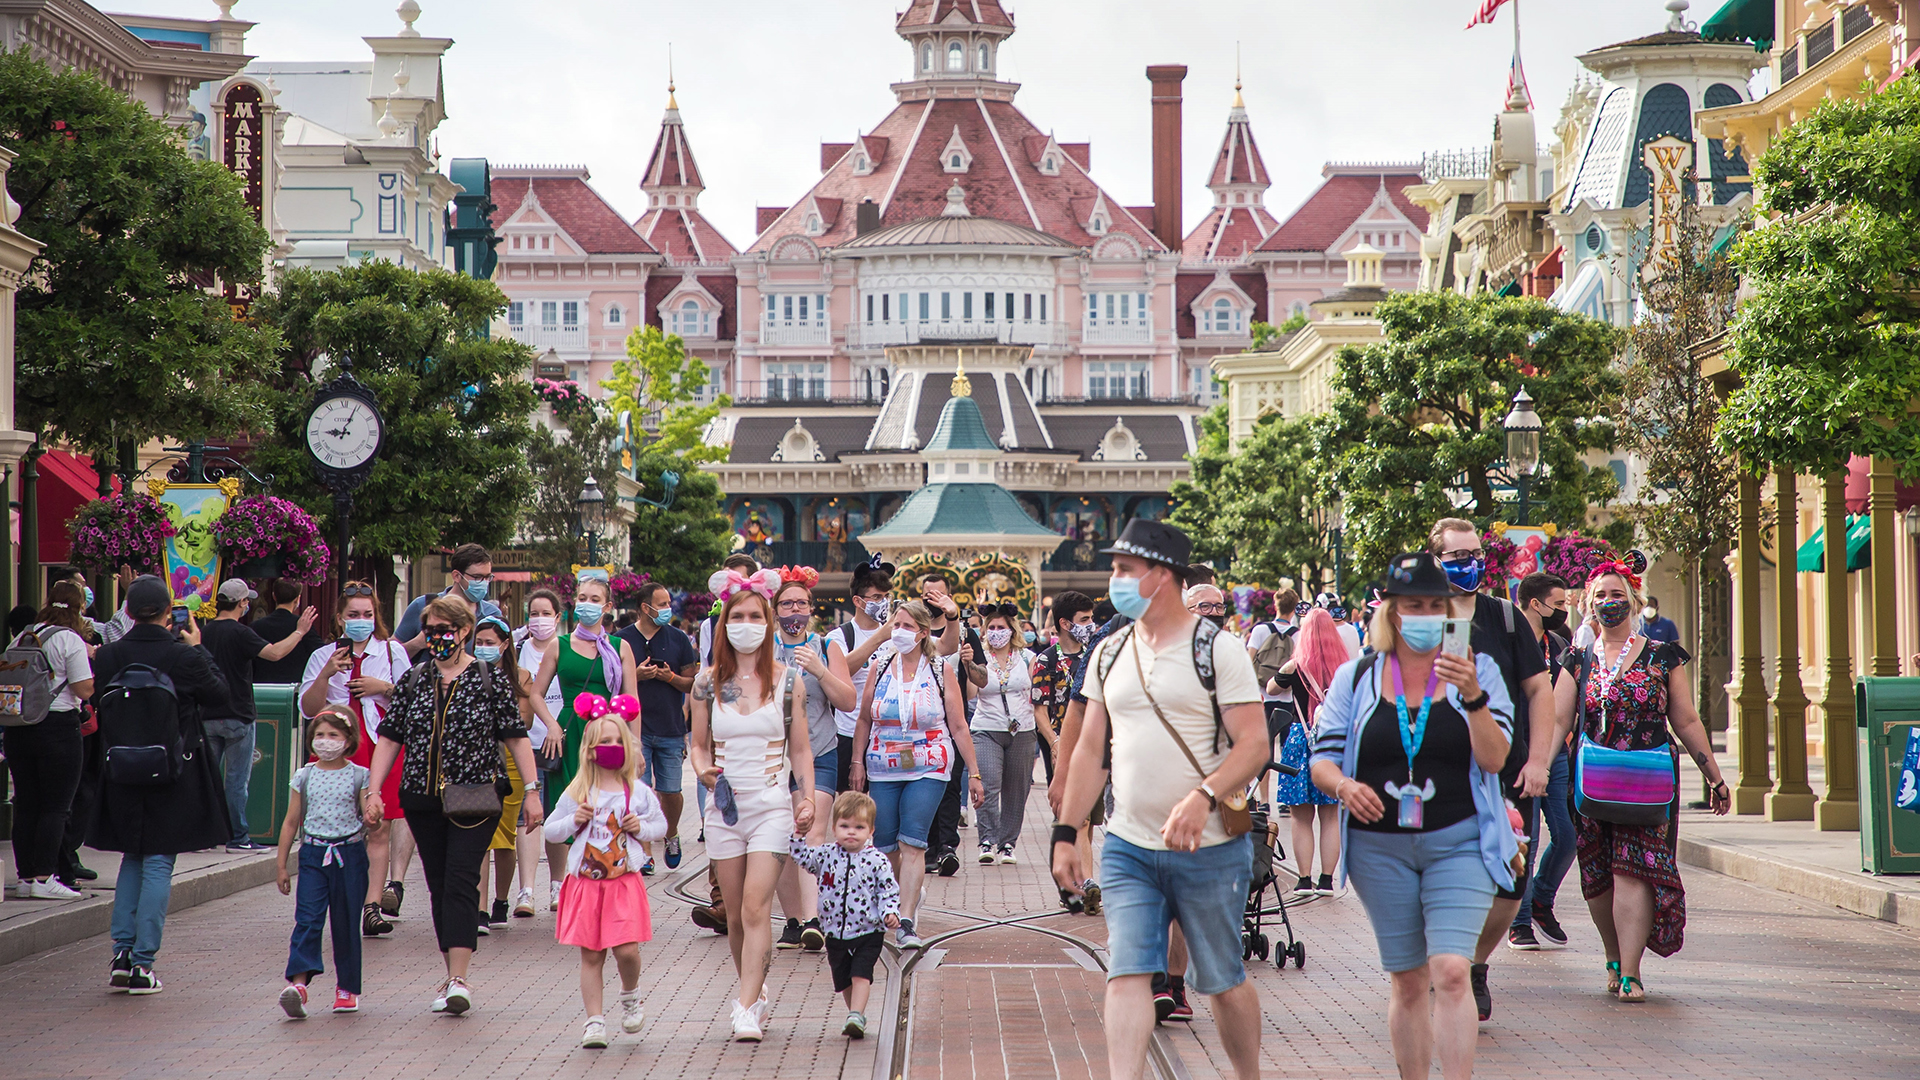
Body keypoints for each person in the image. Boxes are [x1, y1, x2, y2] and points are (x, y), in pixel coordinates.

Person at [1051, 519, 1268, 1079]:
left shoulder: (1219, 650)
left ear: (1162, 576)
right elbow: (1090, 751)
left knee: (1222, 979)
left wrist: (1204, 796)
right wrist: (1067, 831)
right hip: (1128, 846)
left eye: (1125, 570)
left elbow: (1254, 746)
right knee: (1126, 973)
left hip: (1211, 848)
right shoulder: (1109, 651)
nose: (1114, 580)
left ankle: (1248, 1074)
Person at [1311, 551, 1517, 1080]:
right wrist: (1345, 785)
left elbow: (1495, 759)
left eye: (1434, 604)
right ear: (1391, 612)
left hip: (1460, 841)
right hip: (1380, 850)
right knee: (1406, 980)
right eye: (1411, 605)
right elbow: (1322, 760)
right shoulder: (1356, 677)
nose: (1423, 614)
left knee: (1450, 971)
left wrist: (1471, 696)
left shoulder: (1481, 670)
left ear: (1449, 611)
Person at [1524, 563, 1731, 1003]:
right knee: (1597, 873)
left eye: (1615, 594)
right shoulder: (1577, 659)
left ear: (1634, 600)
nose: (1607, 603)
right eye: (1598, 596)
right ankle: (1613, 957)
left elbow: (1686, 718)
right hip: (1591, 781)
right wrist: (1539, 765)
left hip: (1648, 779)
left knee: (1632, 870)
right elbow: (1559, 718)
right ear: (1589, 606)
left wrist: (1714, 775)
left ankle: (1632, 972)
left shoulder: (1662, 654)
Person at [364, 596, 544, 1016]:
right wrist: (374, 790)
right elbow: (390, 737)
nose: (437, 636)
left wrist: (532, 790)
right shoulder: (413, 680)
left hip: (474, 796)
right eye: (431, 629)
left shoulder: (488, 679)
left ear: (464, 631)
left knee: (462, 880)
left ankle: (460, 977)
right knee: (440, 885)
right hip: (422, 798)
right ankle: (450, 974)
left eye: (446, 628)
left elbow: (515, 735)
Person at [1427, 517, 1553, 1023]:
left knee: (1509, 881)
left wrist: (1539, 759)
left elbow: (1539, 690)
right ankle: (1449, 965)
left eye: (1475, 553)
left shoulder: (1504, 616)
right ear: (1435, 562)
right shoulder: (1418, 618)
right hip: (1436, 774)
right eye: (1457, 557)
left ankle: (1475, 962)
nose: (1470, 564)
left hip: (1505, 771)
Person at [688, 576, 818, 1041]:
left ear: (769, 623)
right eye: (737, 617)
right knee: (737, 917)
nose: (747, 625)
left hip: (770, 806)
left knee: (755, 905)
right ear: (725, 624)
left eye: (755, 616)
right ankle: (754, 989)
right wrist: (704, 771)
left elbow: (801, 749)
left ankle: (744, 1007)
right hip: (723, 810)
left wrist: (806, 796)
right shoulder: (706, 683)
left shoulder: (789, 682)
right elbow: (698, 746)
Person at [91, 575, 234, 996]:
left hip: (120, 768)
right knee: (157, 862)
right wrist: (197, 647)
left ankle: (121, 952)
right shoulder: (181, 656)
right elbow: (219, 694)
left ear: (130, 611)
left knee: (132, 859)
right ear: (170, 611)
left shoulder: (110, 655)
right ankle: (142, 963)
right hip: (172, 769)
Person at [851, 599, 982, 949]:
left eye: (908, 627)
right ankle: (894, 900)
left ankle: (905, 919)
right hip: (882, 766)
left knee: (912, 842)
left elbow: (958, 723)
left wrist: (974, 772)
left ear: (923, 633)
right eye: (896, 625)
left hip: (930, 765)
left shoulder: (939, 670)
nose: (900, 633)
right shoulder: (879, 667)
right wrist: (857, 762)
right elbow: (864, 719)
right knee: (884, 845)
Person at [299, 581, 415, 936]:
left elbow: (413, 700)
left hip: (381, 744)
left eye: (367, 614)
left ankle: (372, 906)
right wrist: (327, 674)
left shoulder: (392, 653)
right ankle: (341, 898)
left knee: (378, 826)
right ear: (340, 618)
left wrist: (384, 688)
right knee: (339, 828)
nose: (361, 620)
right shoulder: (322, 656)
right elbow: (308, 709)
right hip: (339, 748)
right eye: (353, 615)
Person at [544, 715, 668, 1049]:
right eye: (604, 742)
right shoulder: (579, 790)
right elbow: (551, 830)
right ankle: (594, 1021)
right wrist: (574, 819)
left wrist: (640, 827)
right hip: (586, 884)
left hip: (623, 882)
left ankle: (630, 995)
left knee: (627, 950)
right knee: (592, 955)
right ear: (590, 750)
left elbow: (661, 826)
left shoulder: (637, 792)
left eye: (617, 741)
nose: (612, 747)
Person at [769, 574, 856, 952]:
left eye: (801, 604)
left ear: (811, 609)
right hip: (772, 756)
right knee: (784, 838)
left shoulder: (827, 645)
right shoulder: (760, 647)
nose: (795, 611)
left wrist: (820, 669)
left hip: (820, 750)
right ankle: (792, 921)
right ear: (774, 611)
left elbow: (849, 701)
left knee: (811, 829)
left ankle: (814, 919)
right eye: (787, 604)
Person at [202, 578, 319, 852]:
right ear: (242, 603)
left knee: (208, 778)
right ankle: (238, 837)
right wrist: (300, 631)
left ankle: (205, 834)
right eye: (246, 601)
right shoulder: (241, 633)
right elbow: (276, 653)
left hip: (207, 714)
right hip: (238, 713)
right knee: (236, 781)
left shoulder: (205, 632)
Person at [534, 569, 637, 881]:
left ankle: (598, 871)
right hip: (568, 734)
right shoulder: (559, 645)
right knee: (561, 805)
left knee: (604, 803)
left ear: (607, 607)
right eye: (582, 598)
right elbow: (535, 694)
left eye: (595, 599)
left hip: (608, 735)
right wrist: (551, 725)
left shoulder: (620, 648)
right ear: (574, 603)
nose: (587, 604)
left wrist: (636, 745)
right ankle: (557, 882)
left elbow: (632, 700)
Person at [274, 704, 370, 1018]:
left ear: (348, 739)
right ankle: (299, 983)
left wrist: (375, 817)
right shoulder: (304, 775)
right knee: (308, 918)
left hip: (350, 855)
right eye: (319, 735)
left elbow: (368, 817)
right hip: (314, 854)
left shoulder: (359, 775)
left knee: (345, 922)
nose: (325, 741)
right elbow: (292, 820)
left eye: (333, 735)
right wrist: (282, 863)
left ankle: (347, 989)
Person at [4, 581, 95, 900]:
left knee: (26, 803)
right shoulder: (70, 639)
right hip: (56, 726)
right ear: (78, 609)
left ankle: (26, 877)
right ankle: (46, 877)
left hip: (19, 726)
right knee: (56, 806)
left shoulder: (23, 635)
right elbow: (84, 689)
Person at [790, 790, 901, 1040]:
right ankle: (854, 1012)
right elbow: (802, 857)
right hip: (834, 930)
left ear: (871, 831)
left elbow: (888, 890)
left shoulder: (877, 861)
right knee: (843, 978)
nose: (851, 832)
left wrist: (889, 912)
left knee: (861, 972)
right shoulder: (826, 854)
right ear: (834, 827)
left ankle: (856, 1015)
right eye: (845, 826)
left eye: (859, 827)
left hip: (868, 930)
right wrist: (799, 833)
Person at [1507, 572, 1574, 950]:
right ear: (1536, 604)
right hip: (1519, 750)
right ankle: (1518, 923)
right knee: (1526, 840)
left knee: (1567, 837)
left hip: (1556, 749)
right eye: (1560, 603)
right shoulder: (1510, 640)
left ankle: (1541, 900)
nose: (1564, 610)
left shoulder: (1560, 644)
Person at [613, 581, 699, 873]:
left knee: (671, 791)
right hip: (634, 728)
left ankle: (671, 833)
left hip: (672, 727)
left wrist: (669, 678)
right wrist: (635, 675)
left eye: (668, 603)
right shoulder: (622, 640)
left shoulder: (678, 639)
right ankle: (644, 849)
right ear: (644, 608)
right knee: (640, 789)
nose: (667, 608)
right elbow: (611, 682)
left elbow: (692, 682)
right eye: (661, 604)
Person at [475, 616, 553, 931]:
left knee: (504, 835)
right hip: (476, 761)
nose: (483, 649)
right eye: (478, 643)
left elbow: (524, 722)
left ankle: (501, 900)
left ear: (505, 644)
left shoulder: (522, 676)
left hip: (510, 763)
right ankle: (478, 909)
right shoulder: (467, 673)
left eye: (489, 643)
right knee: (478, 834)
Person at [1031, 590, 1101, 913]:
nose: (1092, 625)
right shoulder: (1045, 660)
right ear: (1064, 623)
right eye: (1084, 620)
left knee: (1087, 821)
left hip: (1096, 746)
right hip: (1061, 749)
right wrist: (1056, 742)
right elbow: (1039, 711)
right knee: (1075, 817)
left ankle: (1082, 884)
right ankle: (1083, 883)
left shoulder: (1096, 654)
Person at [1268, 608, 1345, 898]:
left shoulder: (1294, 666)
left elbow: (1271, 688)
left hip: (1301, 740)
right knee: (1331, 816)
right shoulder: (1344, 668)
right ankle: (1326, 881)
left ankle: (1303, 880)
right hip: (1333, 743)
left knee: (1301, 818)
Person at [970, 603, 1038, 866]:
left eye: (1002, 627)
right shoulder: (980, 657)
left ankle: (1008, 843)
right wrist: (968, 666)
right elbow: (970, 692)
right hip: (986, 728)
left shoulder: (1028, 658)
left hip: (1022, 730)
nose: (996, 632)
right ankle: (986, 839)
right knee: (988, 783)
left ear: (1012, 630)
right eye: (992, 628)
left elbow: (1036, 695)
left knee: (1017, 790)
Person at [519, 588, 567, 909]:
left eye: (545, 613)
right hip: (525, 744)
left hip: (558, 744)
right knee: (528, 818)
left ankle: (557, 886)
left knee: (556, 816)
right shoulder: (517, 650)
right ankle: (526, 891)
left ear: (558, 617)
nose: (539, 620)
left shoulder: (566, 649)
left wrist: (558, 728)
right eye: (533, 614)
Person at [394, 543, 505, 655]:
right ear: (457, 576)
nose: (483, 583)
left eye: (487, 577)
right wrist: (418, 643)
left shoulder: (492, 614)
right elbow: (390, 656)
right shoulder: (422, 605)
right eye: (477, 577)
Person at [253, 580, 326, 686]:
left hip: (260, 687)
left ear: (274, 596)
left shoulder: (256, 626)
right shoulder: (303, 626)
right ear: (297, 599)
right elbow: (321, 653)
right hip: (293, 689)